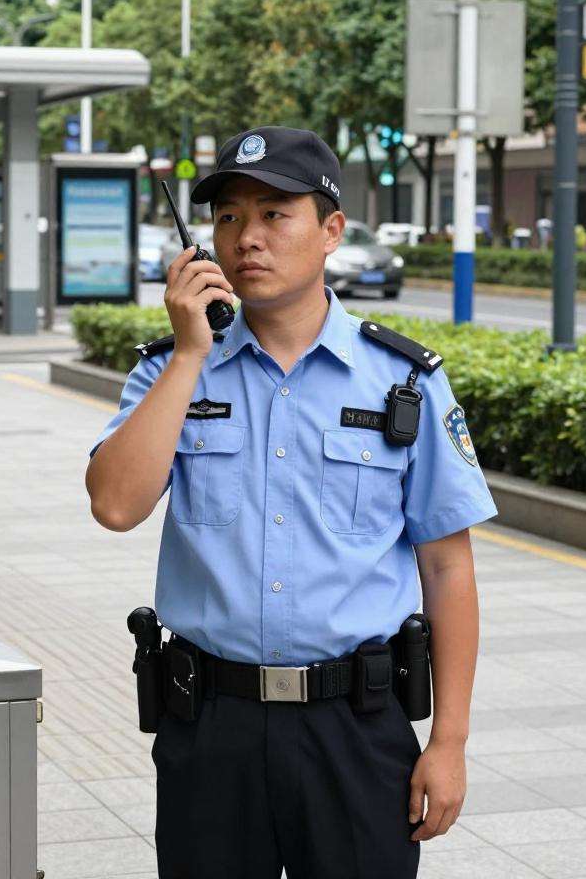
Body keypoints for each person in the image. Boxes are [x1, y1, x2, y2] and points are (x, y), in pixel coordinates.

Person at [85, 127, 497, 879]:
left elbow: (447, 569)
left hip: (355, 727)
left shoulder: (402, 382)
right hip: (211, 724)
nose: (248, 238)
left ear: (332, 230)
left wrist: (449, 742)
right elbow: (114, 505)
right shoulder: (172, 370)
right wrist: (187, 355)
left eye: (276, 214)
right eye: (230, 217)